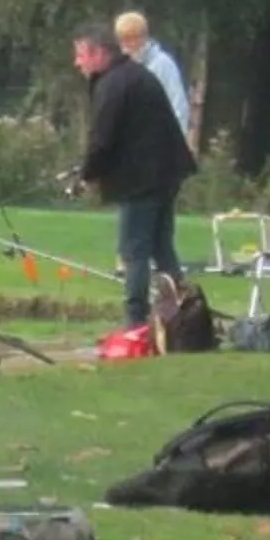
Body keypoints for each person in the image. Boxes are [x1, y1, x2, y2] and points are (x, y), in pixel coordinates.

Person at [76, 22, 196, 329]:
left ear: (99, 54)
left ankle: (135, 320)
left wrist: (86, 174)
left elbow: (103, 139)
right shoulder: (133, 75)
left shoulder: (114, 84)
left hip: (142, 179)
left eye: (81, 55)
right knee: (160, 245)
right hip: (165, 173)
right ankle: (181, 312)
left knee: (134, 250)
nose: (77, 63)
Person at [115, 10, 192, 284]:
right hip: (136, 166)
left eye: (128, 41)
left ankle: (143, 296)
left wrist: (168, 156)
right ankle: (175, 294)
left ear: (140, 38)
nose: (124, 47)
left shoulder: (162, 66)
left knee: (156, 236)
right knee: (159, 242)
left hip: (160, 166)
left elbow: (179, 111)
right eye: (121, 41)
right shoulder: (127, 69)